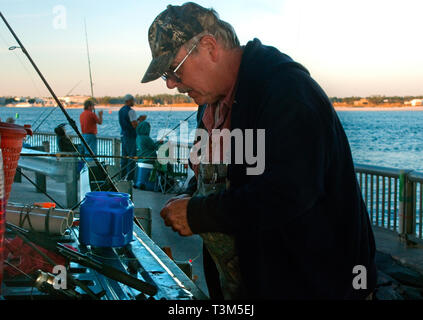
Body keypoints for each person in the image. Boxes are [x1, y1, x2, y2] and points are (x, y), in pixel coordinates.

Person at [141, 2, 377, 300]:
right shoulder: (208, 103)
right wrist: (191, 195)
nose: (172, 84)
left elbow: (289, 192)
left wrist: (199, 214)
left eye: (174, 69)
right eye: (166, 76)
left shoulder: (286, 91)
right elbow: (215, 176)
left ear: (209, 47)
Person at [118, 94, 138, 181]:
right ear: (129, 101)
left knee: (124, 157)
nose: (134, 102)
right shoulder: (131, 111)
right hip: (130, 136)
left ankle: (122, 176)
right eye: (133, 100)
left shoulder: (121, 110)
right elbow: (134, 125)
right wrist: (140, 121)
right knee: (132, 157)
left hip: (123, 135)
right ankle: (130, 178)